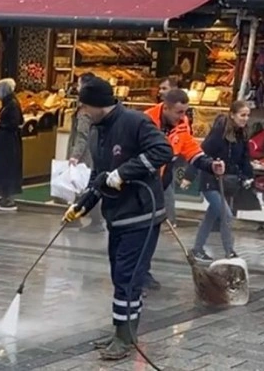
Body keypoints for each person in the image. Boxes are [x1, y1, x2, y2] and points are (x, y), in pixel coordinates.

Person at [62, 77, 173, 361]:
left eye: (84, 106)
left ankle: (125, 338)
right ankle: (120, 331)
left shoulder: (135, 122)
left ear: (98, 104)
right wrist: (82, 205)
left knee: (128, 276)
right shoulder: (100, 131)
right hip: (118, 217)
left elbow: (162, 151)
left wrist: (124, 172)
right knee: (119, 275)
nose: (82, 112)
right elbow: (101, 177)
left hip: (142, 214)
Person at [143, 89, 225, 292]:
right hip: (142, 185)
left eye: (185, 112)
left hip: (161, 183)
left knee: (151, 232)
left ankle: (143, 271)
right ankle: (133, 275)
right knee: (139, 232)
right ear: (166, 107)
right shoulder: (145, 121)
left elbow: (190, 148)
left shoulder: (181, 124)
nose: (183, 117)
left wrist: (209, 164)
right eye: (179, 112)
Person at [190, 101, 252, 261]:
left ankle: (197, 249)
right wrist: (189, 175)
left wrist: (246, 176)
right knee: (226, 215)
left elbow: (244, 158)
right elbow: (201, 152)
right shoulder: (219, 132)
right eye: (242, 115)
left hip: (226, 181)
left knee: (212, 215)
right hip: (211, 178)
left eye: (247, 115)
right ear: (232, 114)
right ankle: (229, 251)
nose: (245, 118)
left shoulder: (242, 133)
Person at [68, 73, 103, 232]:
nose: (77, 87)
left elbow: (82, 136)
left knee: (84, 186)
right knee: (83, 186)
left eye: (79, 84)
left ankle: (95, 220)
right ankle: (76, 217)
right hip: (92, 153)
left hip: (85, 156)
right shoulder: (95, 108)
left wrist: (75, 155)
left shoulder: (84, 111)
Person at [0, 78, 23, 212]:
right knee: (3, 169)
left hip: (9, 144)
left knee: (7, 169)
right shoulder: (8, 103)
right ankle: (3, 196)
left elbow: (15, 123)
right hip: (6, 142)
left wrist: (0, 124)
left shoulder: (12, 105)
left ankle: (8, 199)